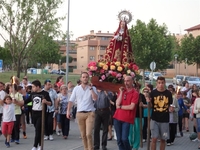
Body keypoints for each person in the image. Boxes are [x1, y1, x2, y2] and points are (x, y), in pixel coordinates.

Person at [67, 72, 98, 150]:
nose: (85, 78)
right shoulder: (76, 88)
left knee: (88, 134)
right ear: (81, 78)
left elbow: (95, 98)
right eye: (83, 77)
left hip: (90, 113)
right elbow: (71, 100)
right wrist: (68, 111)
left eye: (86, 77)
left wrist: (91, 89)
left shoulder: (92, 88)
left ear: (88, 78)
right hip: (80, 113)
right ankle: (86, 148)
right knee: (83, 135)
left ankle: (90, 148)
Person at [146, 76, 173, 150]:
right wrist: (148, 101)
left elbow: (170, 105)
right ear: (156, 84)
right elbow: (151, 106)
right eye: (159, 83)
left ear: (164, 83)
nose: (161, 84)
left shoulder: (168, 93)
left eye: (162, 83)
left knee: (163, 139)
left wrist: (171, 108)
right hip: (154, 119)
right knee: (154, 138)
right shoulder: (153, 93)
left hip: (165, 120)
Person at [24, 80, 52, 150]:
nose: (32, 88)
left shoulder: (45, 94)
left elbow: (50, 103)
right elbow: (26, 101)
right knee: (37, 129)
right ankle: (40, 144)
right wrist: (17, 102)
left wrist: (46, 102)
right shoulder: (32, 94)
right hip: (34, 114)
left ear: (38, 86)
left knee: (38, 130)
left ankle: (35, 145)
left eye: (33, 87)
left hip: (41, 114)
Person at [113, 76, 139, 150]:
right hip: (117, 117)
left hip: (127, 119)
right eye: (125, 81)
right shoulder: (122, 91)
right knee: (119, 140)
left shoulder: (135, 93)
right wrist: (121, 92)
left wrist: (121, 107)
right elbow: (117, 103)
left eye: (128, 81)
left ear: (132, 82)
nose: (126, 83)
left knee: (124, 138)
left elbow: (131, 107)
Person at [128, 83, 145, 150]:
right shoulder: (130, 95)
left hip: (139, 116)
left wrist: (143, 105)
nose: (136, 89)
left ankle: (135, 146)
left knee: (137, 131)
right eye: (135, 87)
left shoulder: (141, 96)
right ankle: (130, 143)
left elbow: (146, 105)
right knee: (129, 131)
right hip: (130, 116)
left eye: (137, 88)